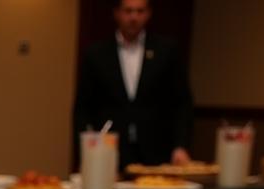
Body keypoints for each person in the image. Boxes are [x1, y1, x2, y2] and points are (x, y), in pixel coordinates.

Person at [73, 0, 193, 170]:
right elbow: (83, 107)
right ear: (117, 13)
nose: (134, 17)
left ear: (148, 14)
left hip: (157, 150)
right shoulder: (96, 54)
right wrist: (85, 150)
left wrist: (181, 145)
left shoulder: (167, 50)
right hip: (110, 151)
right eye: (128, 11)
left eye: (140, 11)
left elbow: (182, 102)